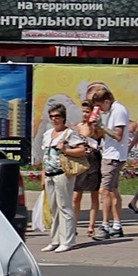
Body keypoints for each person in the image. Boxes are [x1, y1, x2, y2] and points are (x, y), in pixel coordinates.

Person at [41, 103, 88, 254]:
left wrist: (66, 149)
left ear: (63, 118)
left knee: (65, 206)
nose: (54, 119)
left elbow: (82, 150)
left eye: (57, 116)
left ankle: (68, 240)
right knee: (53, 208)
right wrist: (43, 174)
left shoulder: (69, 133)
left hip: (63, 173)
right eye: (52, 116)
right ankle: (55, 240)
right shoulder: (48, 134)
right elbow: (45, 155)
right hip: (49, 173)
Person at [89, 87, 129, 240]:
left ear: (107, 101)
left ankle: (105, 225)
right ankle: (117, 225)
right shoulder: (114, 111)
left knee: (104, 191)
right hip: (112, 154)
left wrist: (101, 126)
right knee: (112, 191)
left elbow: (118, 135)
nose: (100, 109)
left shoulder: (118, 110)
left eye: (101, 106)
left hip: (113, 156)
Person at [71, 100, 103, 238]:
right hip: (81, 161)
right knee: (76, 196)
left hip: (94, 161)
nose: (85, 114)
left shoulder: (98, 129)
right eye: (83, 112)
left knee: (94, 194)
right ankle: (74, 225)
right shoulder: (78, 127)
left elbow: (109, 141)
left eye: (87, 112)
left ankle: (91, 226)